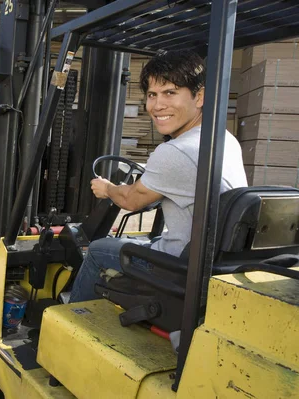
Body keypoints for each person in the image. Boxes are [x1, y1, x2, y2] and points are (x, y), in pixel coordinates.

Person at [69, 50, 248, 303]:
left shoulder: (175, 151)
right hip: (208, 260)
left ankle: (75, 316)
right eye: (152, 95)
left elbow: (131, 200)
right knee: (148, 238)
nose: (157, 105)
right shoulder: (223, 139)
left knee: (98, 250)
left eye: (170, 93)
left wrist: (107, 188)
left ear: (200, 97)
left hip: (177, 267)